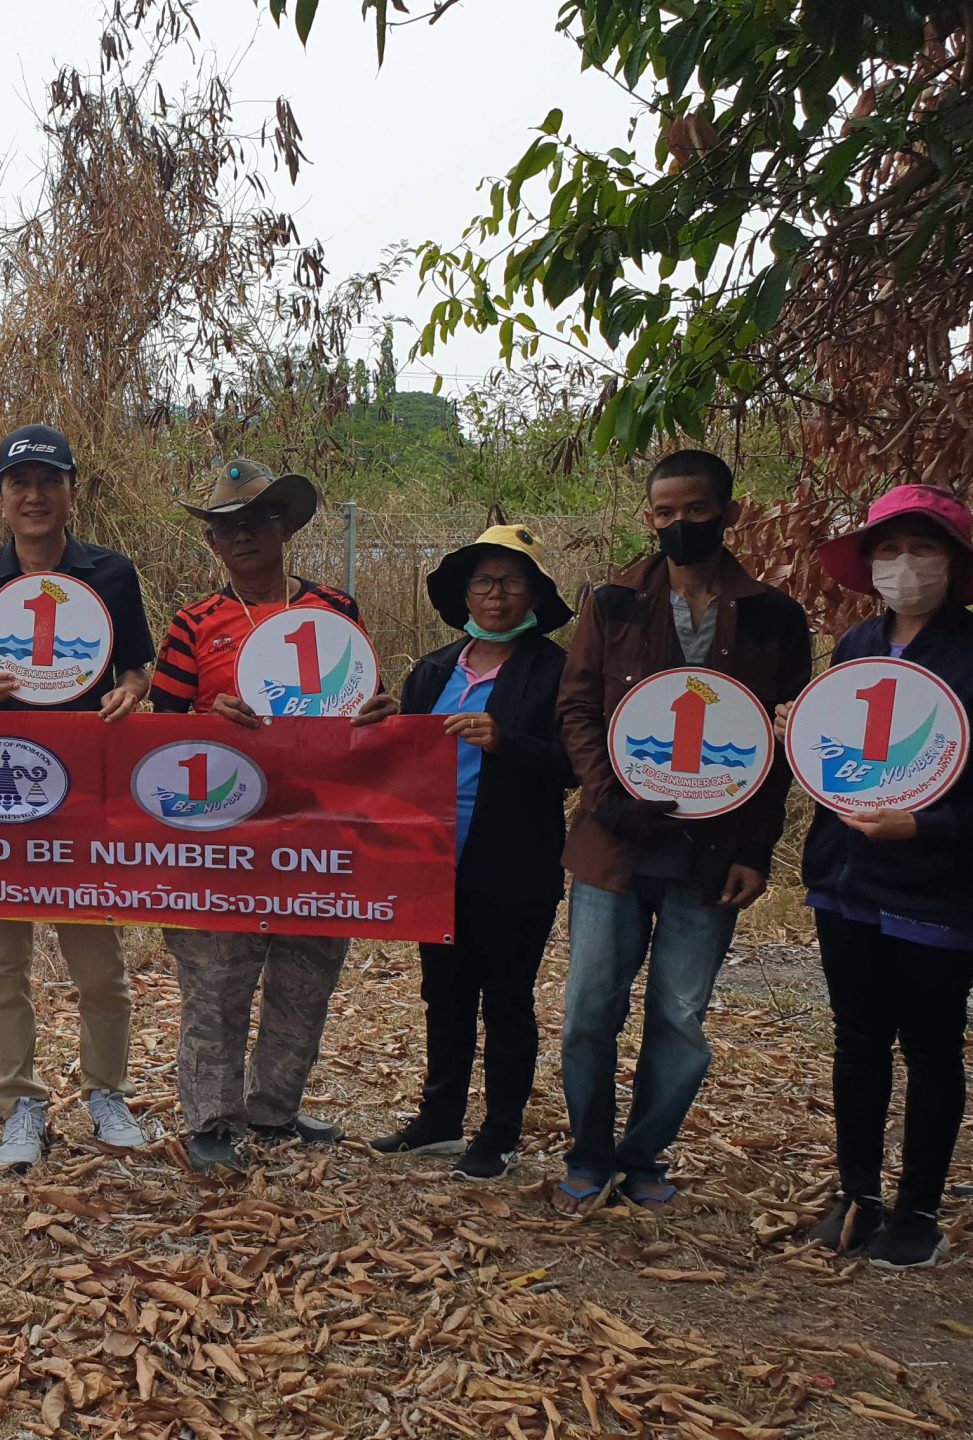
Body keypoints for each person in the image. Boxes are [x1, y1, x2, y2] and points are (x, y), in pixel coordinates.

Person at [793, 486, 973, 1267]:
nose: (903, 566)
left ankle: (917, 1208)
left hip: (940, 887)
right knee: (857, 1039)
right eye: (888, 551)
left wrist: (931, 824)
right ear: (868, 563)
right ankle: (857, 1193)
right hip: (846, 880)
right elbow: (842, 756)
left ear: (954, 564)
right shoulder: (855, 648)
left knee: (932, 1046)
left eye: (923, 551)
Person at [553, 449, 811, 1214]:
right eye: (664, 513)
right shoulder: (613, 604)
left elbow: (785, 741)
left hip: (713, 853)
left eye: (694, 510)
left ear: (727, 513)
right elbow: (578, 711)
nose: (678, 525)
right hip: (614, 844)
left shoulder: (773, 614)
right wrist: (608, 801)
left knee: (679, 1017)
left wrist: (757, 851)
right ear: (650, 517)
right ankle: (588, 1155)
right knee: (590, 1010)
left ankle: (643, 1158)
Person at [150, 460, 394, 1176]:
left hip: (318, 826)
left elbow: (361, 705)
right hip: (220, 826)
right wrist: (207, 715)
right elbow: (161, 733)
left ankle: (276, 1109)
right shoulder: (193, 623)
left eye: (257, 521)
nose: (243, 536)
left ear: (284, 527)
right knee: (215, 978)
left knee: (306, 972)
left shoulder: (335, 611)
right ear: (215, 546)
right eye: (227, 529)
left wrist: (382, 715)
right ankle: (211, 1119)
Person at [0, 424, 154, 1170]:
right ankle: (19, 1102)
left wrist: (128, 693)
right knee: (2, 960)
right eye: (19, 484)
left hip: (87, 792)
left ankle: (105, 1094)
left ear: (71, 494)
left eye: (48, 482)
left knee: (98, 960)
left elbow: (136, 669)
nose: (34, 496)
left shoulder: (111, 575)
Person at [367, 525, 577, 1181]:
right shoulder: (434, 669)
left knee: (507, 998)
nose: (496, 594)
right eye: (484, 581)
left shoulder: (556, 672)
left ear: (535, 595)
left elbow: (574, 765)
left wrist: (504, 741)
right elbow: (407, 760)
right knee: (445, 993)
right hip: (437, 859)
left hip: (515, 863)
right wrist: (385, 723)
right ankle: (439, 1120)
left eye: (512, 582)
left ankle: (501, 1132)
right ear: (465, 594)